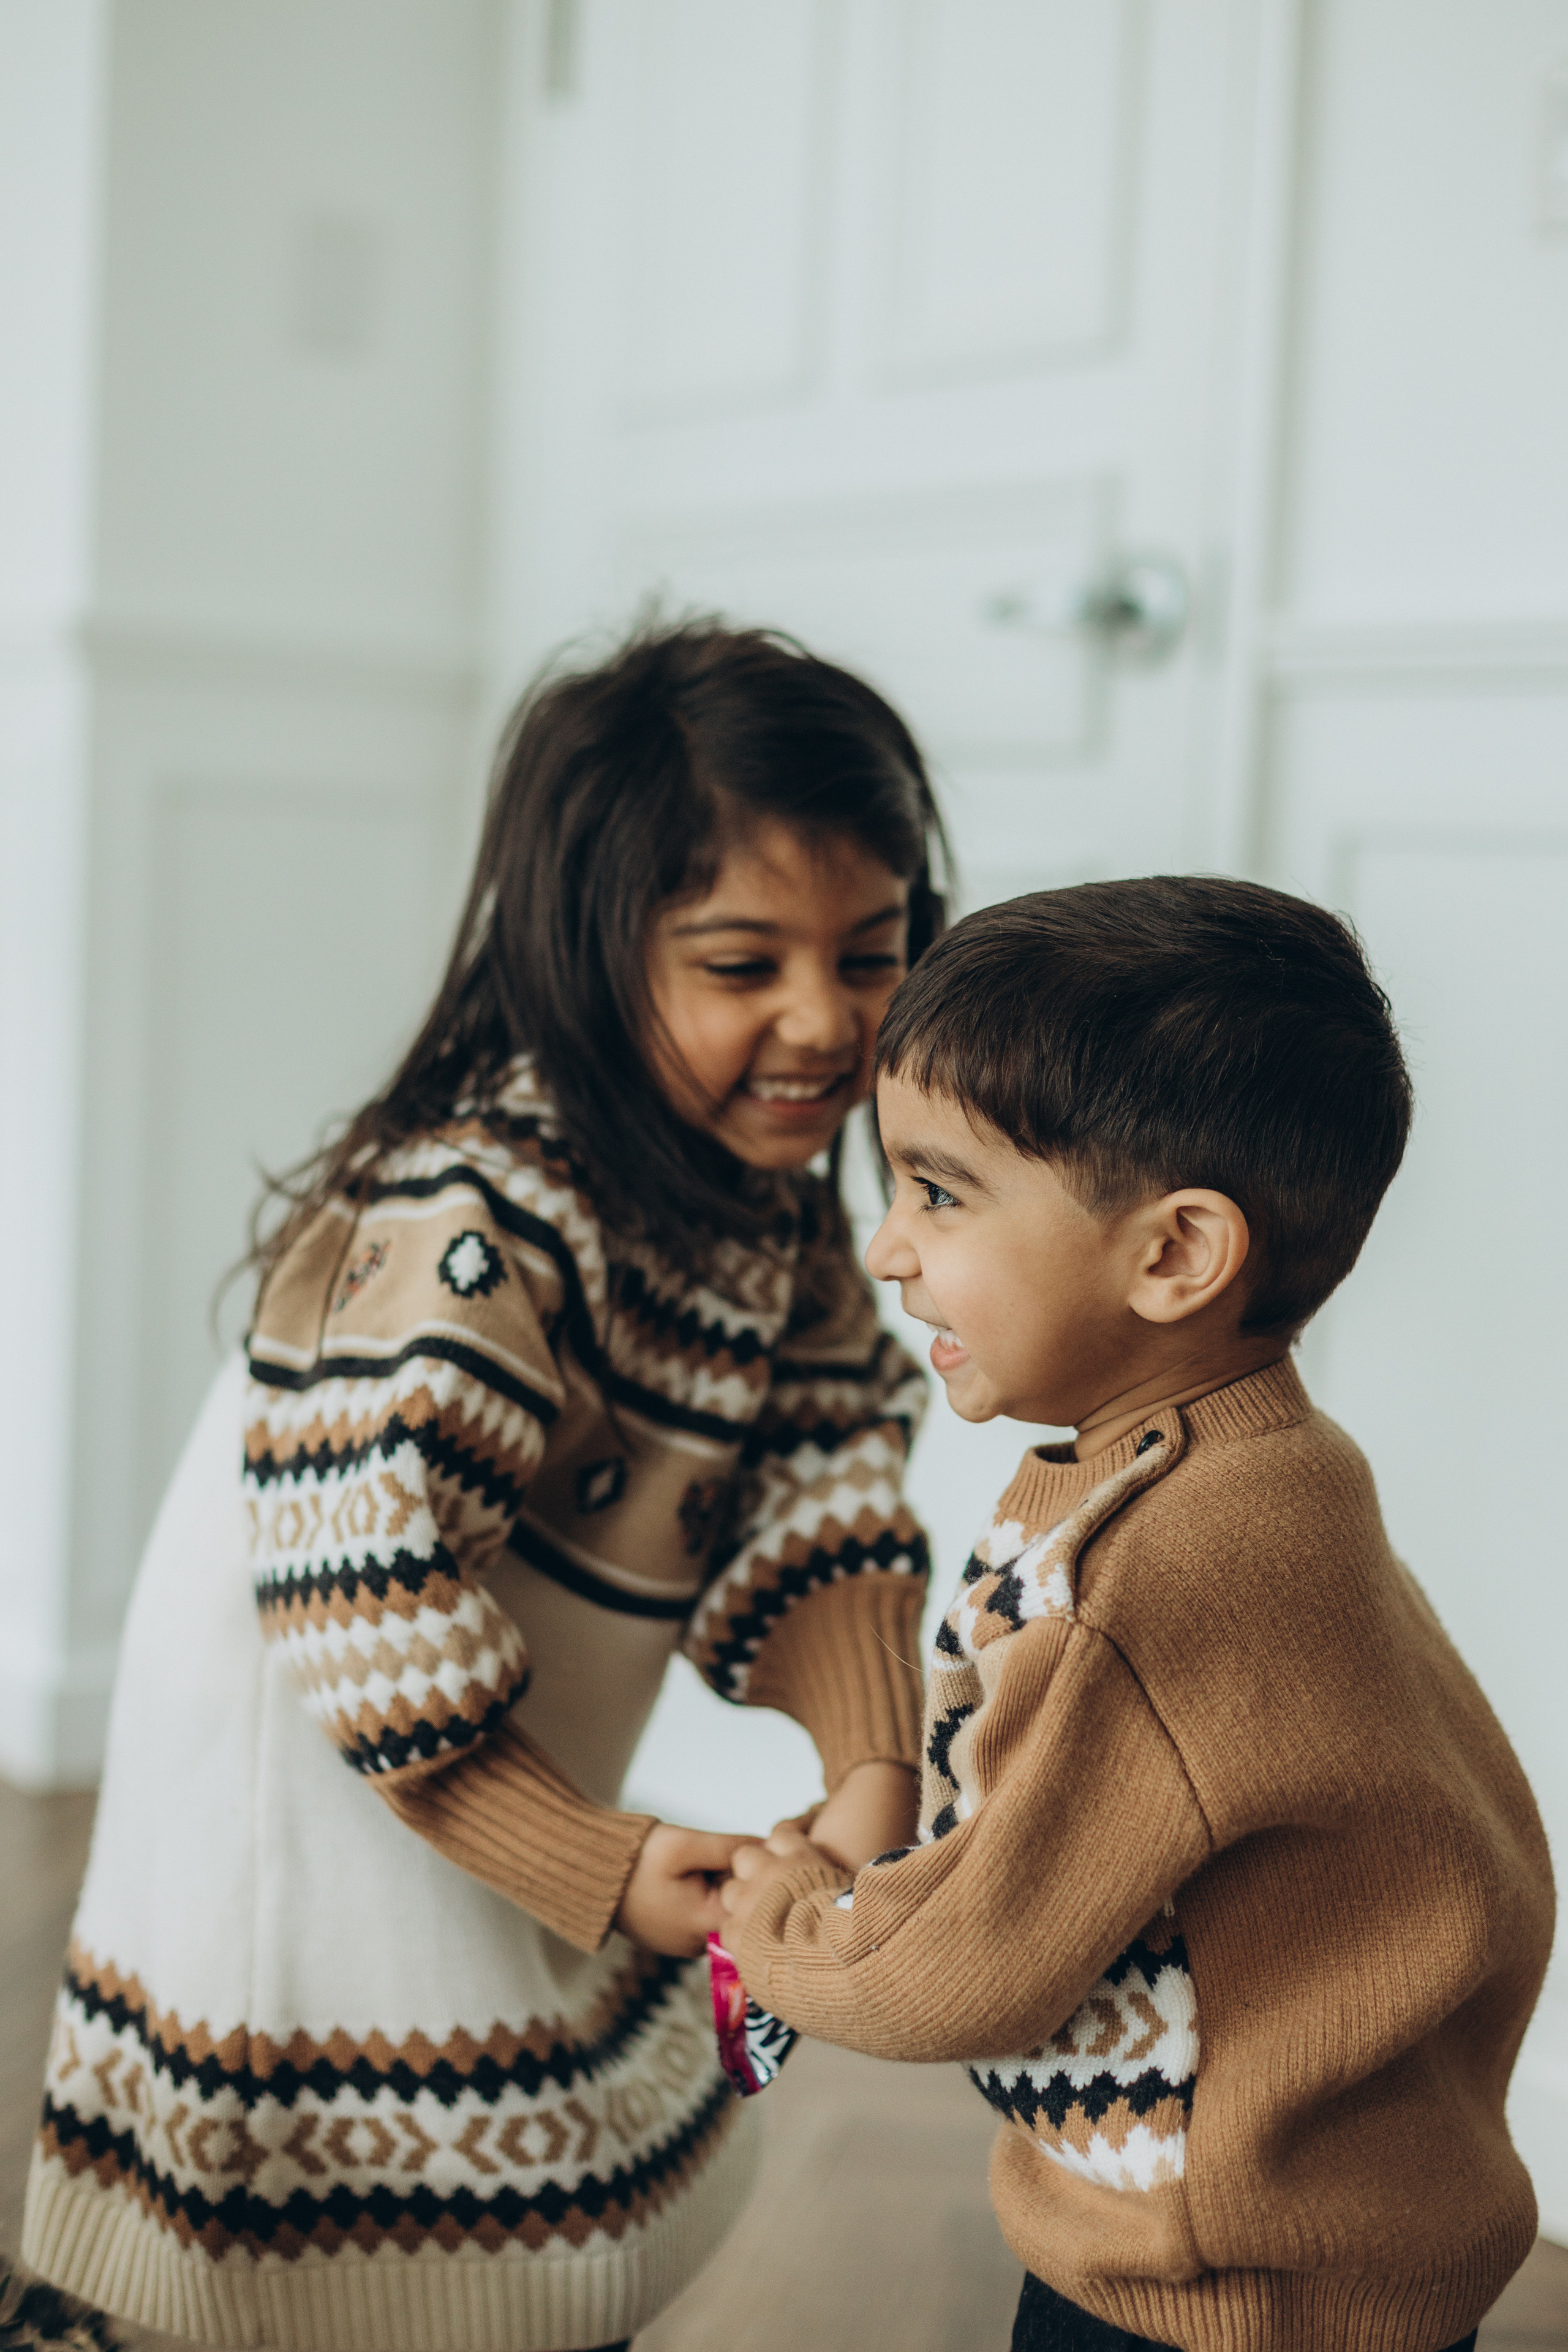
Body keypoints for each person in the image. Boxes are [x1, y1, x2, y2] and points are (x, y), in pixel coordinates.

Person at [23, 622, 946, 2352]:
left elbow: (822, 1491)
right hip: (315, 1738)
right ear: (596, 960)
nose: (824, 1021)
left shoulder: (778, 1218)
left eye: (872, 952)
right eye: (742, 964)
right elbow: (358, 1602)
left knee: (524, 2186)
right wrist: (579, 1852)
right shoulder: (478, 1218)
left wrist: (871, 1757)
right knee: (309, 2183)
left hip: (489, 1739)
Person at [722, 878, 1555, 2352]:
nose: (885, 1246)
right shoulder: (1269, 1466)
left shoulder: (1136, 1577)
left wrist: (778, 1925)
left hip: (1209, 2284)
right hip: (1338, 2232)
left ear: (1172, 1255)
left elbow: (960, 1967)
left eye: (939, 1190)